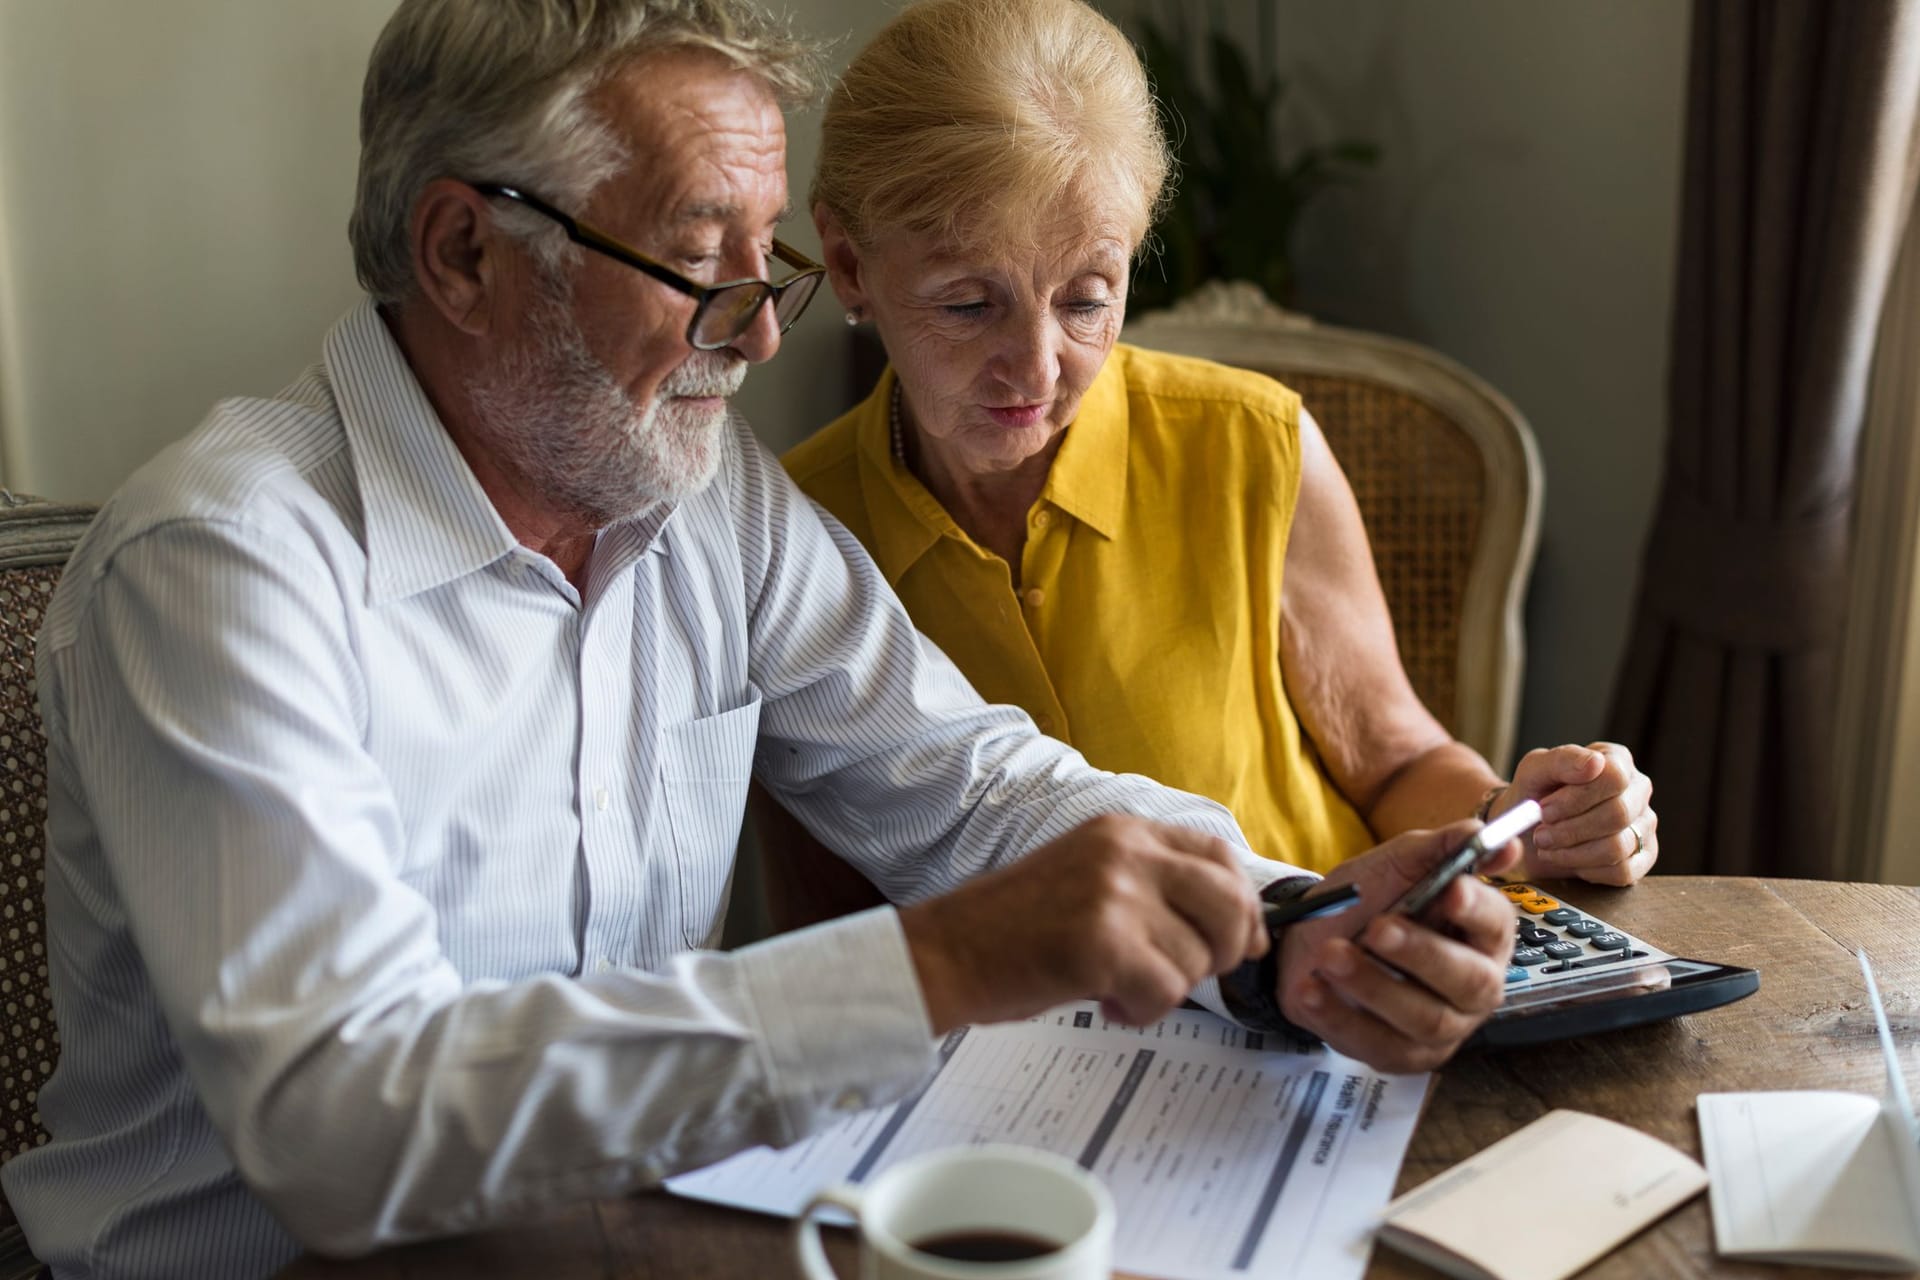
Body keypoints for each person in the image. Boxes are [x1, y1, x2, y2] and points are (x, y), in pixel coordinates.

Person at [4, 3, 1519, 1277]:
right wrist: (931, 964)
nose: (765, 331)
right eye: (696, 262)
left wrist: (1288, 918)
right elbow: (341, 1123)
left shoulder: (702, 493)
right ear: (464, 253)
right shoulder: (222, 568)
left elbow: (970, 785)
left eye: (766, 258)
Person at [785, 0, 1659, 889]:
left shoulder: (1252, 447)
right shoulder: (791, 535)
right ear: (851, 265)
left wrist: (1522, 825)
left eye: (1087, 300)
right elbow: (824, 917)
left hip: (1321, 987)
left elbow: (1397, 765)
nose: (1038, 370)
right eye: (969, 305)